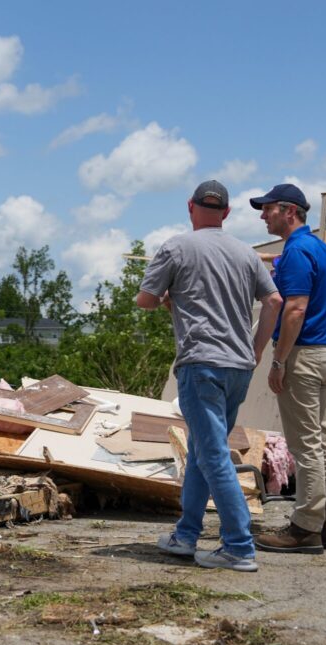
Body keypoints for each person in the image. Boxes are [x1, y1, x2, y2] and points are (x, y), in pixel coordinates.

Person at [137, 180, 282, 572]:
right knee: (203, 452)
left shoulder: (177, 247)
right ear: (228, 213)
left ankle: (238, 546)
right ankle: (186, 536)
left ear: (190, 207)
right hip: (238, 367)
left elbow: (146, 300)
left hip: (201, 364)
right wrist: (255, 350)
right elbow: (274, 301)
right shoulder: (247, 254)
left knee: (213, 454)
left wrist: (169, 297)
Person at [250, 184, 326, 554]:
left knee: (304, 445)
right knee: (322, 440)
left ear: (289, 211)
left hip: (303, 356)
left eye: (268, 209)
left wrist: (278, 361)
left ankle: (305, 528)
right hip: (324, 352)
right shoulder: (320, 248)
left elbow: (294, 309)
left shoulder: (296, 252)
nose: (263, 215)